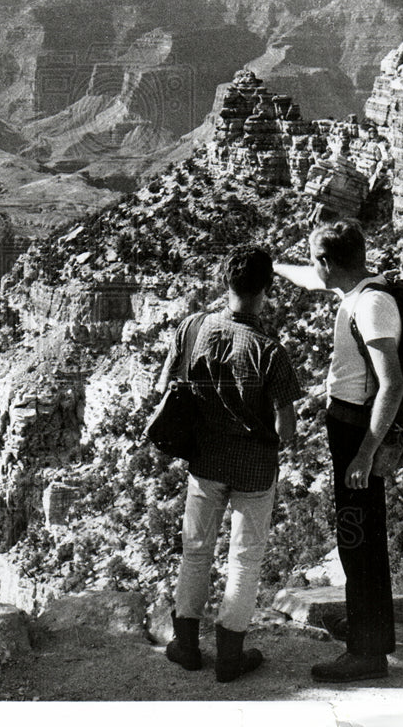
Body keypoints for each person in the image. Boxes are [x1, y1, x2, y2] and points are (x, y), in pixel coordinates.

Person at [157, 246, 302, 683]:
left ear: (225, 281)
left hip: (205, 461)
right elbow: (287, 428)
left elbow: (164, 386)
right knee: (244, 559)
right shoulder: (270, 352)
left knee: (196, 551)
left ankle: (186, 645)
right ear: (267, 290)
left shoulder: (192, 328)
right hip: (254, 469)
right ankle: (230, 656)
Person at [274, 218, 403, 682]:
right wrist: (275, 266)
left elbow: (392, 385)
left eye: (315, 260)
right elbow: (311, 279)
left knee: (360, 540)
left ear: (330, 262)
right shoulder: (355, 290)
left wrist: (367, 453)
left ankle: (367, 655)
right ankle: (367, 631)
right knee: (355, 536)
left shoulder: (371, 306)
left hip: (359, 435)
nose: (313, 269)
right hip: (349, 430)